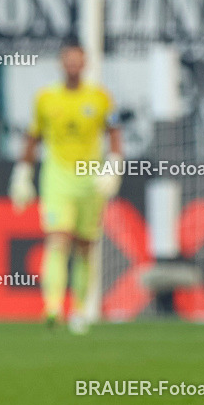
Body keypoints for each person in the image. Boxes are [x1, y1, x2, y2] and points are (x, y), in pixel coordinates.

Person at [9, 40, 122, 333]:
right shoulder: (46, 98)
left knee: (85, 246)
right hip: (57, 176)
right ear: (61, 63)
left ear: (85, 64)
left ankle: (81, 310)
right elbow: (34, 137)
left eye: (77, 60)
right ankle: (53, 308)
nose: (72, 65)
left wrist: (113, 167)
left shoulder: (100, 98)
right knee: (57, 239)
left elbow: (113, 135)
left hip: (89, 177)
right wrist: (23, 172)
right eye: (67, 60)